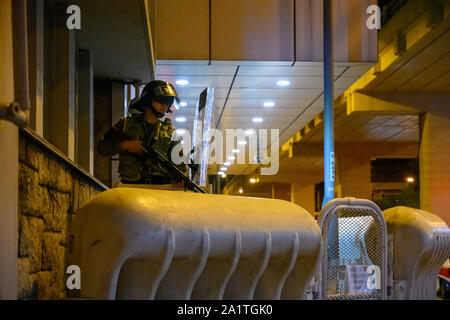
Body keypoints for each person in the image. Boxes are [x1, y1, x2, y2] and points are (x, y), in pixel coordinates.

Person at [97, 80, 187, 185]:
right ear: (148, 99)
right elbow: (102, 148)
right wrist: (124, 145)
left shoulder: (169, 132)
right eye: (161, 100)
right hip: (131, 188)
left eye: (168, 102)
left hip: (161, 189)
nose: (164, 106)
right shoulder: (126, 125)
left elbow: (180, 164)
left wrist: (181, 180)